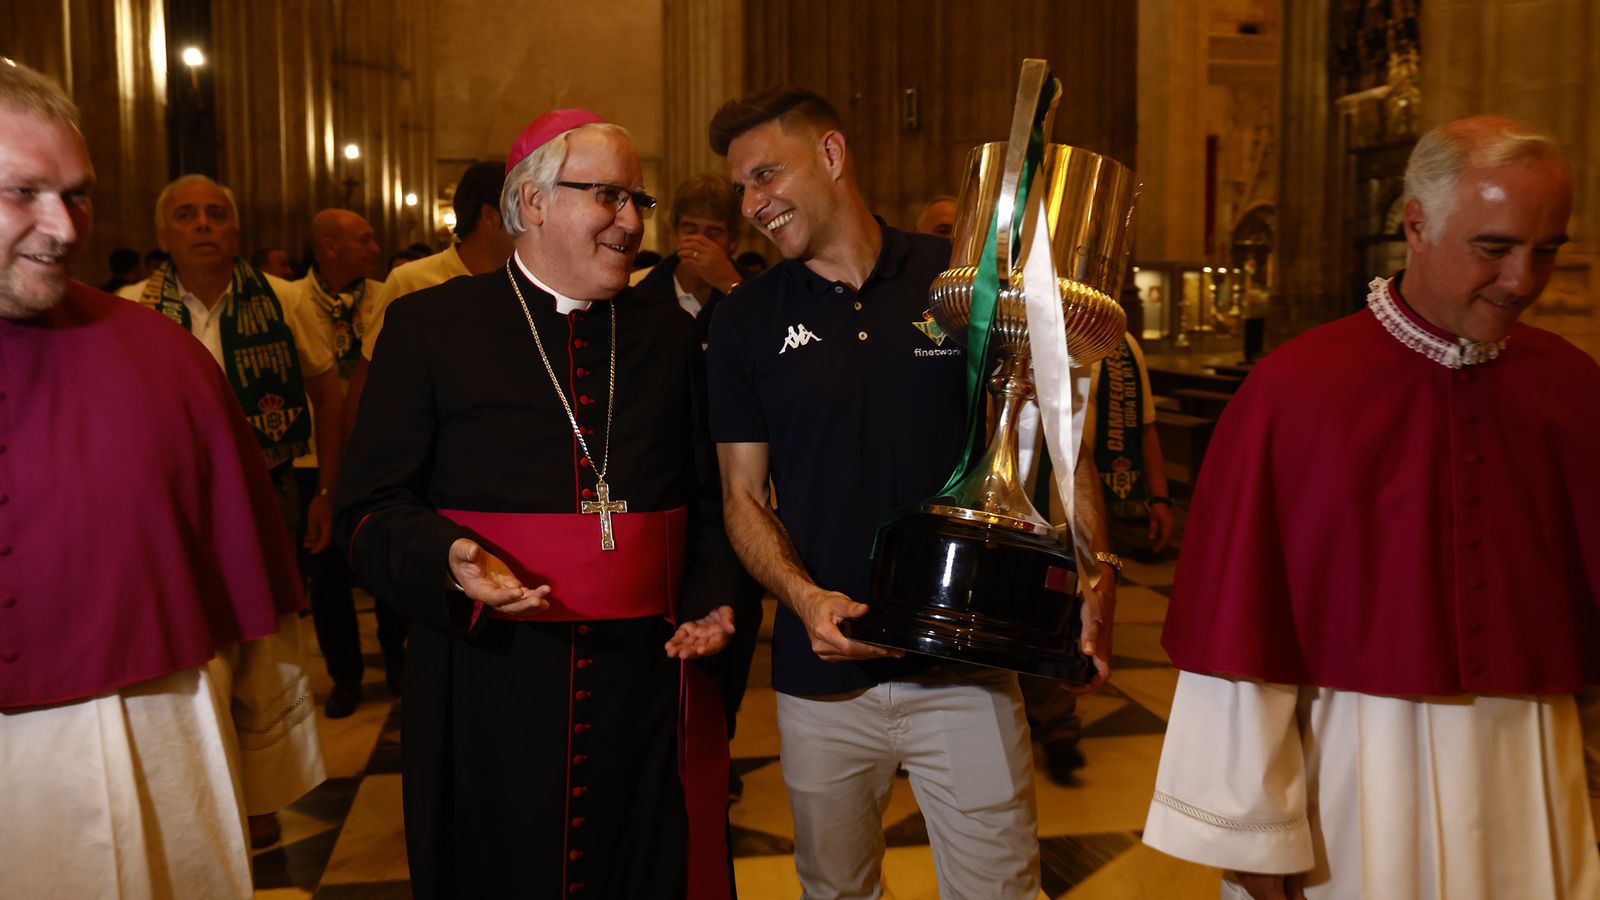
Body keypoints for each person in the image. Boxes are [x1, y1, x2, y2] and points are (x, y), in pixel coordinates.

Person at [1143, 116, 1600, 899]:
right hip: (1355, 764)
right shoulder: (1295, 393)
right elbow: (1239, 626)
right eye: (1493, 248)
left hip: (1527, 762)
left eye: (1547, 249)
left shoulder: (1572, 387)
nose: (1523, 280)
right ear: (1415, 226)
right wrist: (1253, 830)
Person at [707, 87, 1117, 899]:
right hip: (823, 674)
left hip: (966, 668)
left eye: (765, 176)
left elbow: (1056, 445)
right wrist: (805, 601)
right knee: (837, 891)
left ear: (831, 154)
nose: (751, 205)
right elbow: (742, 496)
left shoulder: (959, 281)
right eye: (741, 189)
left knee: (1001, 891)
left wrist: (1096, 575)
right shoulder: (745, 319)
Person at [334, 109, 745, 900]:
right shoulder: (431, 328)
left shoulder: (667, 335)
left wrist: (715, 598)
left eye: (637, 199)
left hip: (646, 683)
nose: (632, 221)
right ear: (532, 203)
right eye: (608, 196)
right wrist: (449, 558)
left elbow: (708, 497)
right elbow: (368, 510)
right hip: (490, 679)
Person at [0, 61, 324, 898]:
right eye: (23, 192)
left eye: (76, 196)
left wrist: (265, 753)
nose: (62, 228)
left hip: (138, 748)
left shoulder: (161, 358)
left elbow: (245, 571)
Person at [117, 175, 345, 562]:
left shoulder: (283, 298)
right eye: (185, 215)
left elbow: (327, 394)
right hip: (165, 491)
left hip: (268, 486)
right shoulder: (132, 305)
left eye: (216, 214)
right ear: (163, 238)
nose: (202, 223)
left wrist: (326, 492)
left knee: (271, 598)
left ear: (235, 235)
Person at [295, 207, 405, 717]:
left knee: (388, 562)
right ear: (329, 248)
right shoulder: (294, 300)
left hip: (376, 452)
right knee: (328, 576)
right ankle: (344, 676)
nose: (375, 249)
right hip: (314, 458)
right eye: (364, 240)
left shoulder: (385, 296)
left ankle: (399, 663)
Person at [341, 160, 516, 439]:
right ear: (490, 216)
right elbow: (369, 377)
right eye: (520, 211)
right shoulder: (412, 281)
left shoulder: (523, 284)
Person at [634, 173, 746, 347]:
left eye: (714, 232)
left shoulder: (756, 287)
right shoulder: (645, 294)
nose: (700, 241)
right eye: (690, 229)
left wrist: (730, 285)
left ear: (733, 241)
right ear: (674, 235)